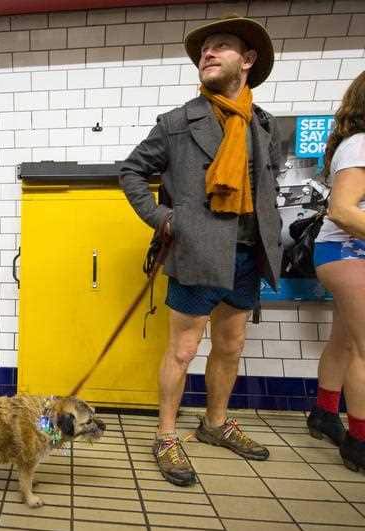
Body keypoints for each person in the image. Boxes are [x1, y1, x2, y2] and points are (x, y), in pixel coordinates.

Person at [119, 15, 284, 486]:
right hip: (196, 253)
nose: (207, 54)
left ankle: (214, 425)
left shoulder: (263, 124)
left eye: (220, 46)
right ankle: (167, 436)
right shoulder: (176, 122)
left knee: (230, 347)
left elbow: (268, 182)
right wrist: (164, 219)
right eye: (203, 50)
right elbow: (131, 171)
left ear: (247, 60)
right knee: (183, 350)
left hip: (248, 255)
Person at [308, 71, 365, 473]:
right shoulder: (361, 145)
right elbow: (342, 209)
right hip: (349, 251)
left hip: (345, 253)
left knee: (346, 342)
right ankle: (360, 441)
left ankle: (325, 414)